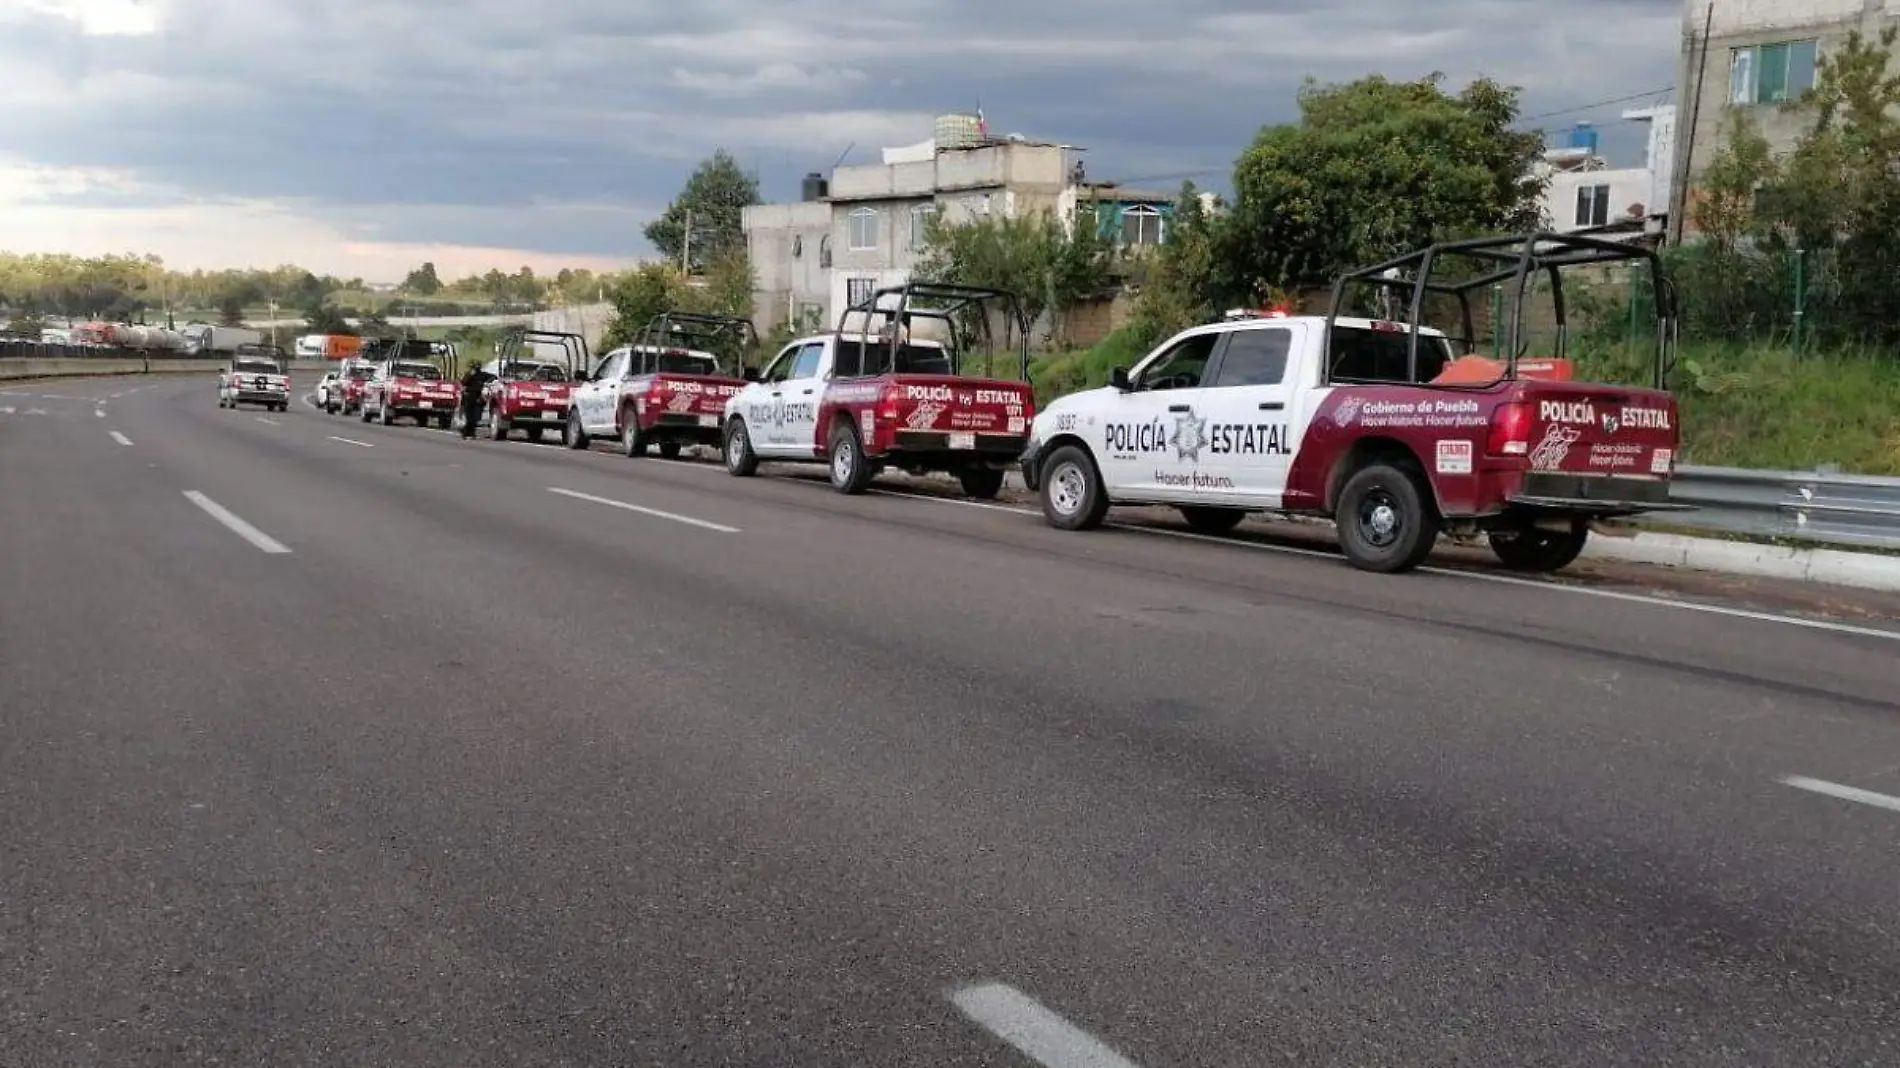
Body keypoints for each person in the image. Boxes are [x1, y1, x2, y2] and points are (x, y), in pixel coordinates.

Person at [458, 362, 496, 438]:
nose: (475, 369)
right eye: (474, 368)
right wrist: (470, 375)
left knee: (476, 417)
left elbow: (494, 377)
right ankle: (467, 432)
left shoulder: (483, 375)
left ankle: (469, 431)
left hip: (478, 397)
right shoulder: (469, 375)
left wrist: (487, 383)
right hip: (469, 397)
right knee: (469, 417)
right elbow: (463, 382)